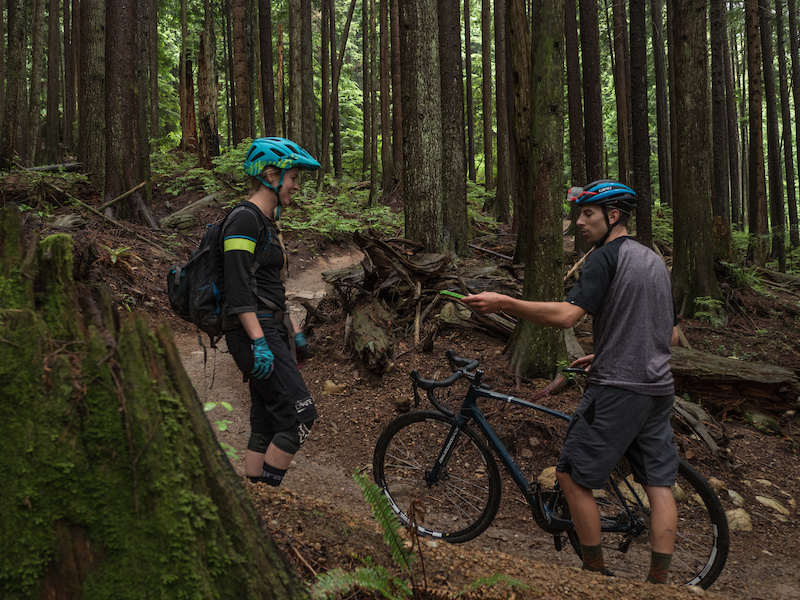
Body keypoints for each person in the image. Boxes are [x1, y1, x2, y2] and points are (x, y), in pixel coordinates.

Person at [461, 180, 679, 584]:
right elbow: (669, 336)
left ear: (613, 217)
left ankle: (594, 576)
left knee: (571, 478)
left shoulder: (604, 258)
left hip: (618, 389)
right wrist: (611, 346)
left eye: (588, 214)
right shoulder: (654, 262)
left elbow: (566, 317)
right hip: (658, 389)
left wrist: (503, 302)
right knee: (659, 484)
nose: (579, 222)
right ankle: (659, 585)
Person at [222, 137, 320, 487]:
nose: (296, 185)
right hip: (254, 333)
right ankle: (271, 502)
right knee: (300, 418)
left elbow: (269, 289)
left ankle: (256, 502)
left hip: (269, 328)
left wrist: (293, 330)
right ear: (269, 176)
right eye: (292, 177)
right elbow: (237, 290)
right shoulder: (243, 221)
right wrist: (260, 342)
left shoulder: (265, 223)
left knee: (267, 419)